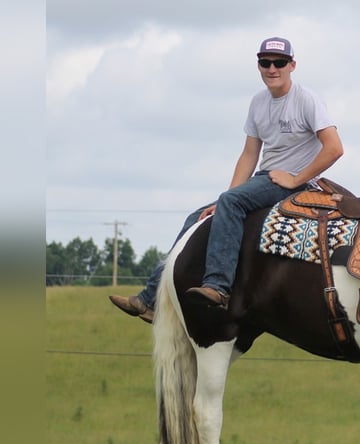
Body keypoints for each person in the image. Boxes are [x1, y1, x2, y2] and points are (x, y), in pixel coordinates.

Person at [110, 36, 343, 322]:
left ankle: (218, 286)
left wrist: (296, 179)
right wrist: (225, 198)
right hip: (265, 179)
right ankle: (150, 299)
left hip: (292, 182)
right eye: (265, 62)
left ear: (292, 65)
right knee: (199, 217)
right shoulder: (258, 102)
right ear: (258, 65)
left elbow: (334, 148)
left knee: (229, 202)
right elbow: (248, 154)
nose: (272, 68)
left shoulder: (307, 100)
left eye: (279, 62)